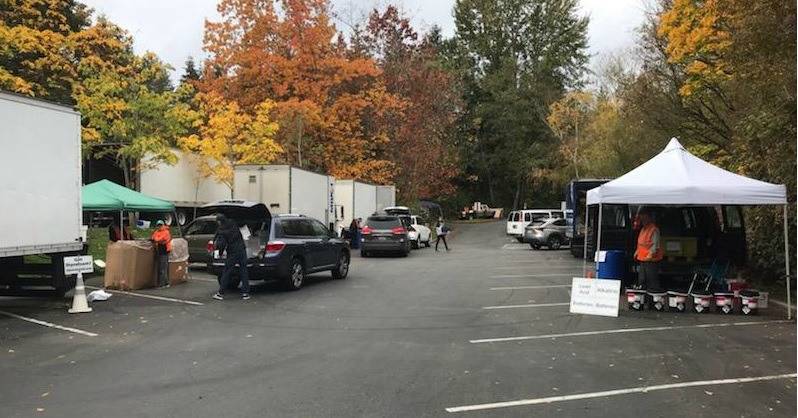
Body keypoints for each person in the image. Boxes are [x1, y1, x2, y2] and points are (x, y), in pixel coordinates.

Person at [212, 214, 250, 300]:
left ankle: (220, 293)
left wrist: (220, 253)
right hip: (242, 250)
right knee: (244, 271)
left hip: (233, 252)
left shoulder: (222, 230)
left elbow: (221, 244)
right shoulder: (233, 223)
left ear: (219, 221)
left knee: (227, 271)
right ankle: (245, 293)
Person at [634, 209, 663, 291]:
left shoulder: (654, 229)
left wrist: (650, 254)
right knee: (642, 279)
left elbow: (655, 245)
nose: (642, 221)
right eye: (641, 219)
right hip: (643, 258)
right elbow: (641, 242)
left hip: (651, 259)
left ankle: (652, 298)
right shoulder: (643, 229)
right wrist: (637, 251)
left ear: (649, 218)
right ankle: (643, 297)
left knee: (651, 280)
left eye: (644, 218)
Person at [150, 220, 172, 288]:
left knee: (163, 267)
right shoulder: (156, 232)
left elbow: (163, 239)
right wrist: (155, 239)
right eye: (158, 225)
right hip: (159, 250)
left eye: (160, 225)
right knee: (160, 267)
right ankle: (164, 282)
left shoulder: (166, 232)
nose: (159, 226)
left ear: (163, 225)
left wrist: (156, 239)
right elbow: (153, 237)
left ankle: (163, 283)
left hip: (164, 251)